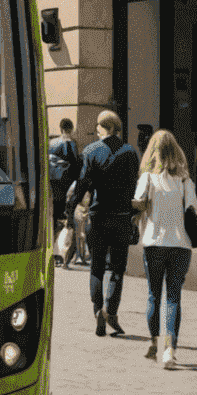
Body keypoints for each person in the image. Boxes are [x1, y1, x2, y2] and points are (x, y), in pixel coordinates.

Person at [66, 110, 139, 337]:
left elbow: (83, 184)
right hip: (121, 217)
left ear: (100, 127)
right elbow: (133, 185)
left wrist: (70, 209)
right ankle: (111, 311)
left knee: (96, 267)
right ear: (117, 128)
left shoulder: (90, 151)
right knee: (117, 269)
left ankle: (98, 309)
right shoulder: (130, 152)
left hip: (97, 217)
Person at [133, 129, 197, 369]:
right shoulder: (185, 180)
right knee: (173, 298)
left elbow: (138, 204)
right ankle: (169, 350)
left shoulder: (148, 178)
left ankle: (155, 343)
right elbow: (194, 212)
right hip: (181, 245)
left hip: (154, 243)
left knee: (154, 295)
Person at [49, 117, 82, 262]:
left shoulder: (52, 143)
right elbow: (75, 167)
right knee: (66, 220)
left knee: (54, 218)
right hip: (67, 188)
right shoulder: (72, 144)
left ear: (60, 128)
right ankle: (62, 251)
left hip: (53, 185)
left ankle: (52, 247)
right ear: (71, 128)